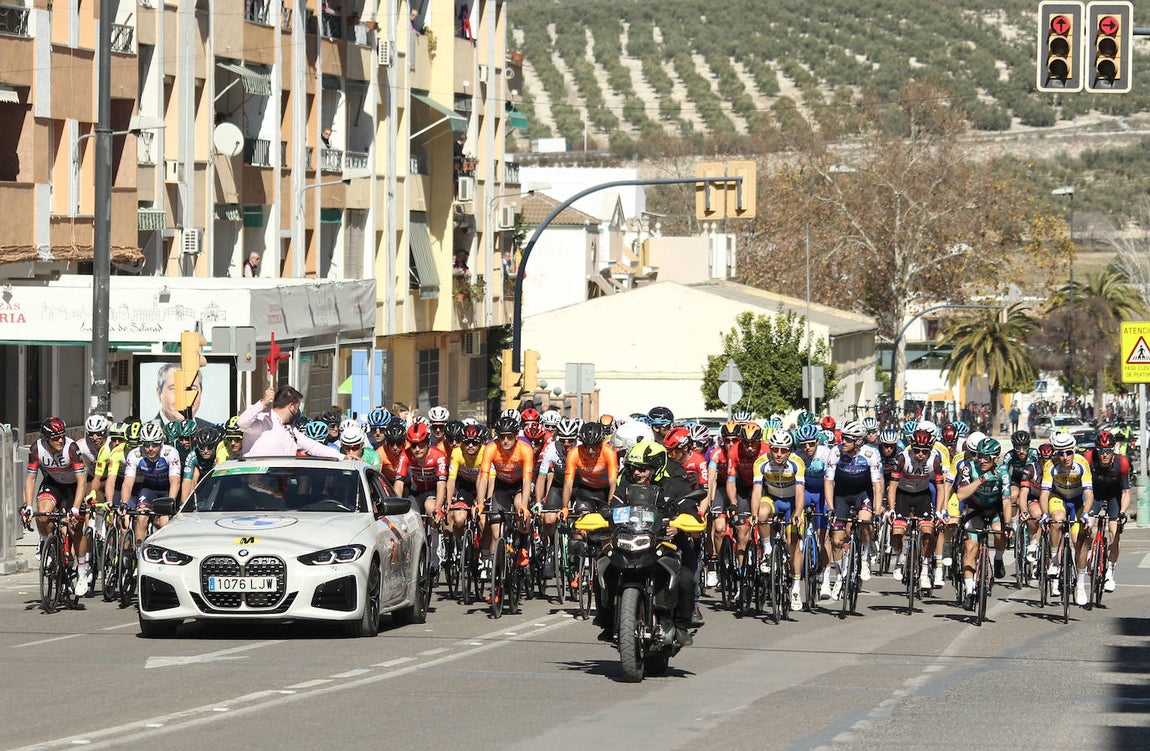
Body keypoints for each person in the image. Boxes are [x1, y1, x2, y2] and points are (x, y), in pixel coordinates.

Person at [594, 440, 697, 647]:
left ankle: (682, 625)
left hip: (665, 543)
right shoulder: (625, 487)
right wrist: (603, 515)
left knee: (685, 578)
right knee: (602, 568)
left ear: (657, 467)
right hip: (629, 541)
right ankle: (606, 620)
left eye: (643, 469)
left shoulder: (674, 485)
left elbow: (691, 510)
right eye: (634, 469)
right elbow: (613, 508)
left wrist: (679, 525)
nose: (638, 474)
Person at [24, 418, 91, 596]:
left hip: (73, 487)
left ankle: (82, 573)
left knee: (75, 528)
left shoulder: (71, 448)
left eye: (62, 436)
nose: (60, 440)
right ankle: (46, 542)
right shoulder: (36, 448)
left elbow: (82, 481)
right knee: (42, 515)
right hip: (53, 484)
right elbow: (30, 478)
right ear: (46, 438)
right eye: (55, 438)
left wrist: (75, 509)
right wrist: (28, 506)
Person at [953, 438, 1010, 610]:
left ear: (995, 459)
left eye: (987, 457)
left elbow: (1006, 501)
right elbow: (961, 494)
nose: (982, 460)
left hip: (993, 509)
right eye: (979, 456)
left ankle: (998, 558)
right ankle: (970, 591)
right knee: (971, 547)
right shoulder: (969, 467)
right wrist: (982, 479)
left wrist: (1007, 524)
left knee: (1000, 533)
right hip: (974, 508)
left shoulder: (1003, 472)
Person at [1037, 431, 1094, 604]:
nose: (1065, 457)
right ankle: (1055, 559)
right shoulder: (1051, 466)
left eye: (1069, 452)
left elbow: (1089, 494)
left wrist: (1085, 513)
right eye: (1060, 453)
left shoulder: (1082, 464)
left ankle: (1080, 586)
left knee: (1079, 540)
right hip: (1059, 498)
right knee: (1057, 519)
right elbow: (1044, 494)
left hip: (1078, 502)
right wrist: (1045, 514)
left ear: (1074, 451)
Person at [238, 385, 343, 459]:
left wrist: (342, 457)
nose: (298, 412)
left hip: (280, 486)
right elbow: (242, 422)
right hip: (254, 486)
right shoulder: (262, 421)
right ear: (291, 407)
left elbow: (313, 447)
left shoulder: (291, 430)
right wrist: (263, 402)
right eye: (297, 407)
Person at [120, 421, 182, 544]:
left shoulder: (171, 453)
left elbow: (175, 482)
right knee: (141, 517)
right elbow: (127, 482)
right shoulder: (135, 454)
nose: (150, 448)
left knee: (164, 520)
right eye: (146, 444)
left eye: (155, 444)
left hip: (167, 489)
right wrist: (125, 503)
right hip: (149, 488)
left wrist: (169, 503)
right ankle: (139, 551)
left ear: (161, 442)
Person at [1083, 431, 1130, 593]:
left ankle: (1110, 571)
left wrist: (1122, 513)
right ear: (1096, 450)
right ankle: (1089, 549)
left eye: (1108, 450)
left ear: (1113, 450)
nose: (1104, 454)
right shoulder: (1089, 458)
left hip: (1114, 497)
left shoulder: (1122, 463)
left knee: (1113, 530)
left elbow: (1125, 492)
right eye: (1101, 450)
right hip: (1094, 494)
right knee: (1086, 524)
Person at [154, 362, 214, 429]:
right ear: (159, 394)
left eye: (191, 389)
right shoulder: (141, 435)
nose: (183, 397)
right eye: (174, 389)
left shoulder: (215, 431)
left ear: (201, 392)